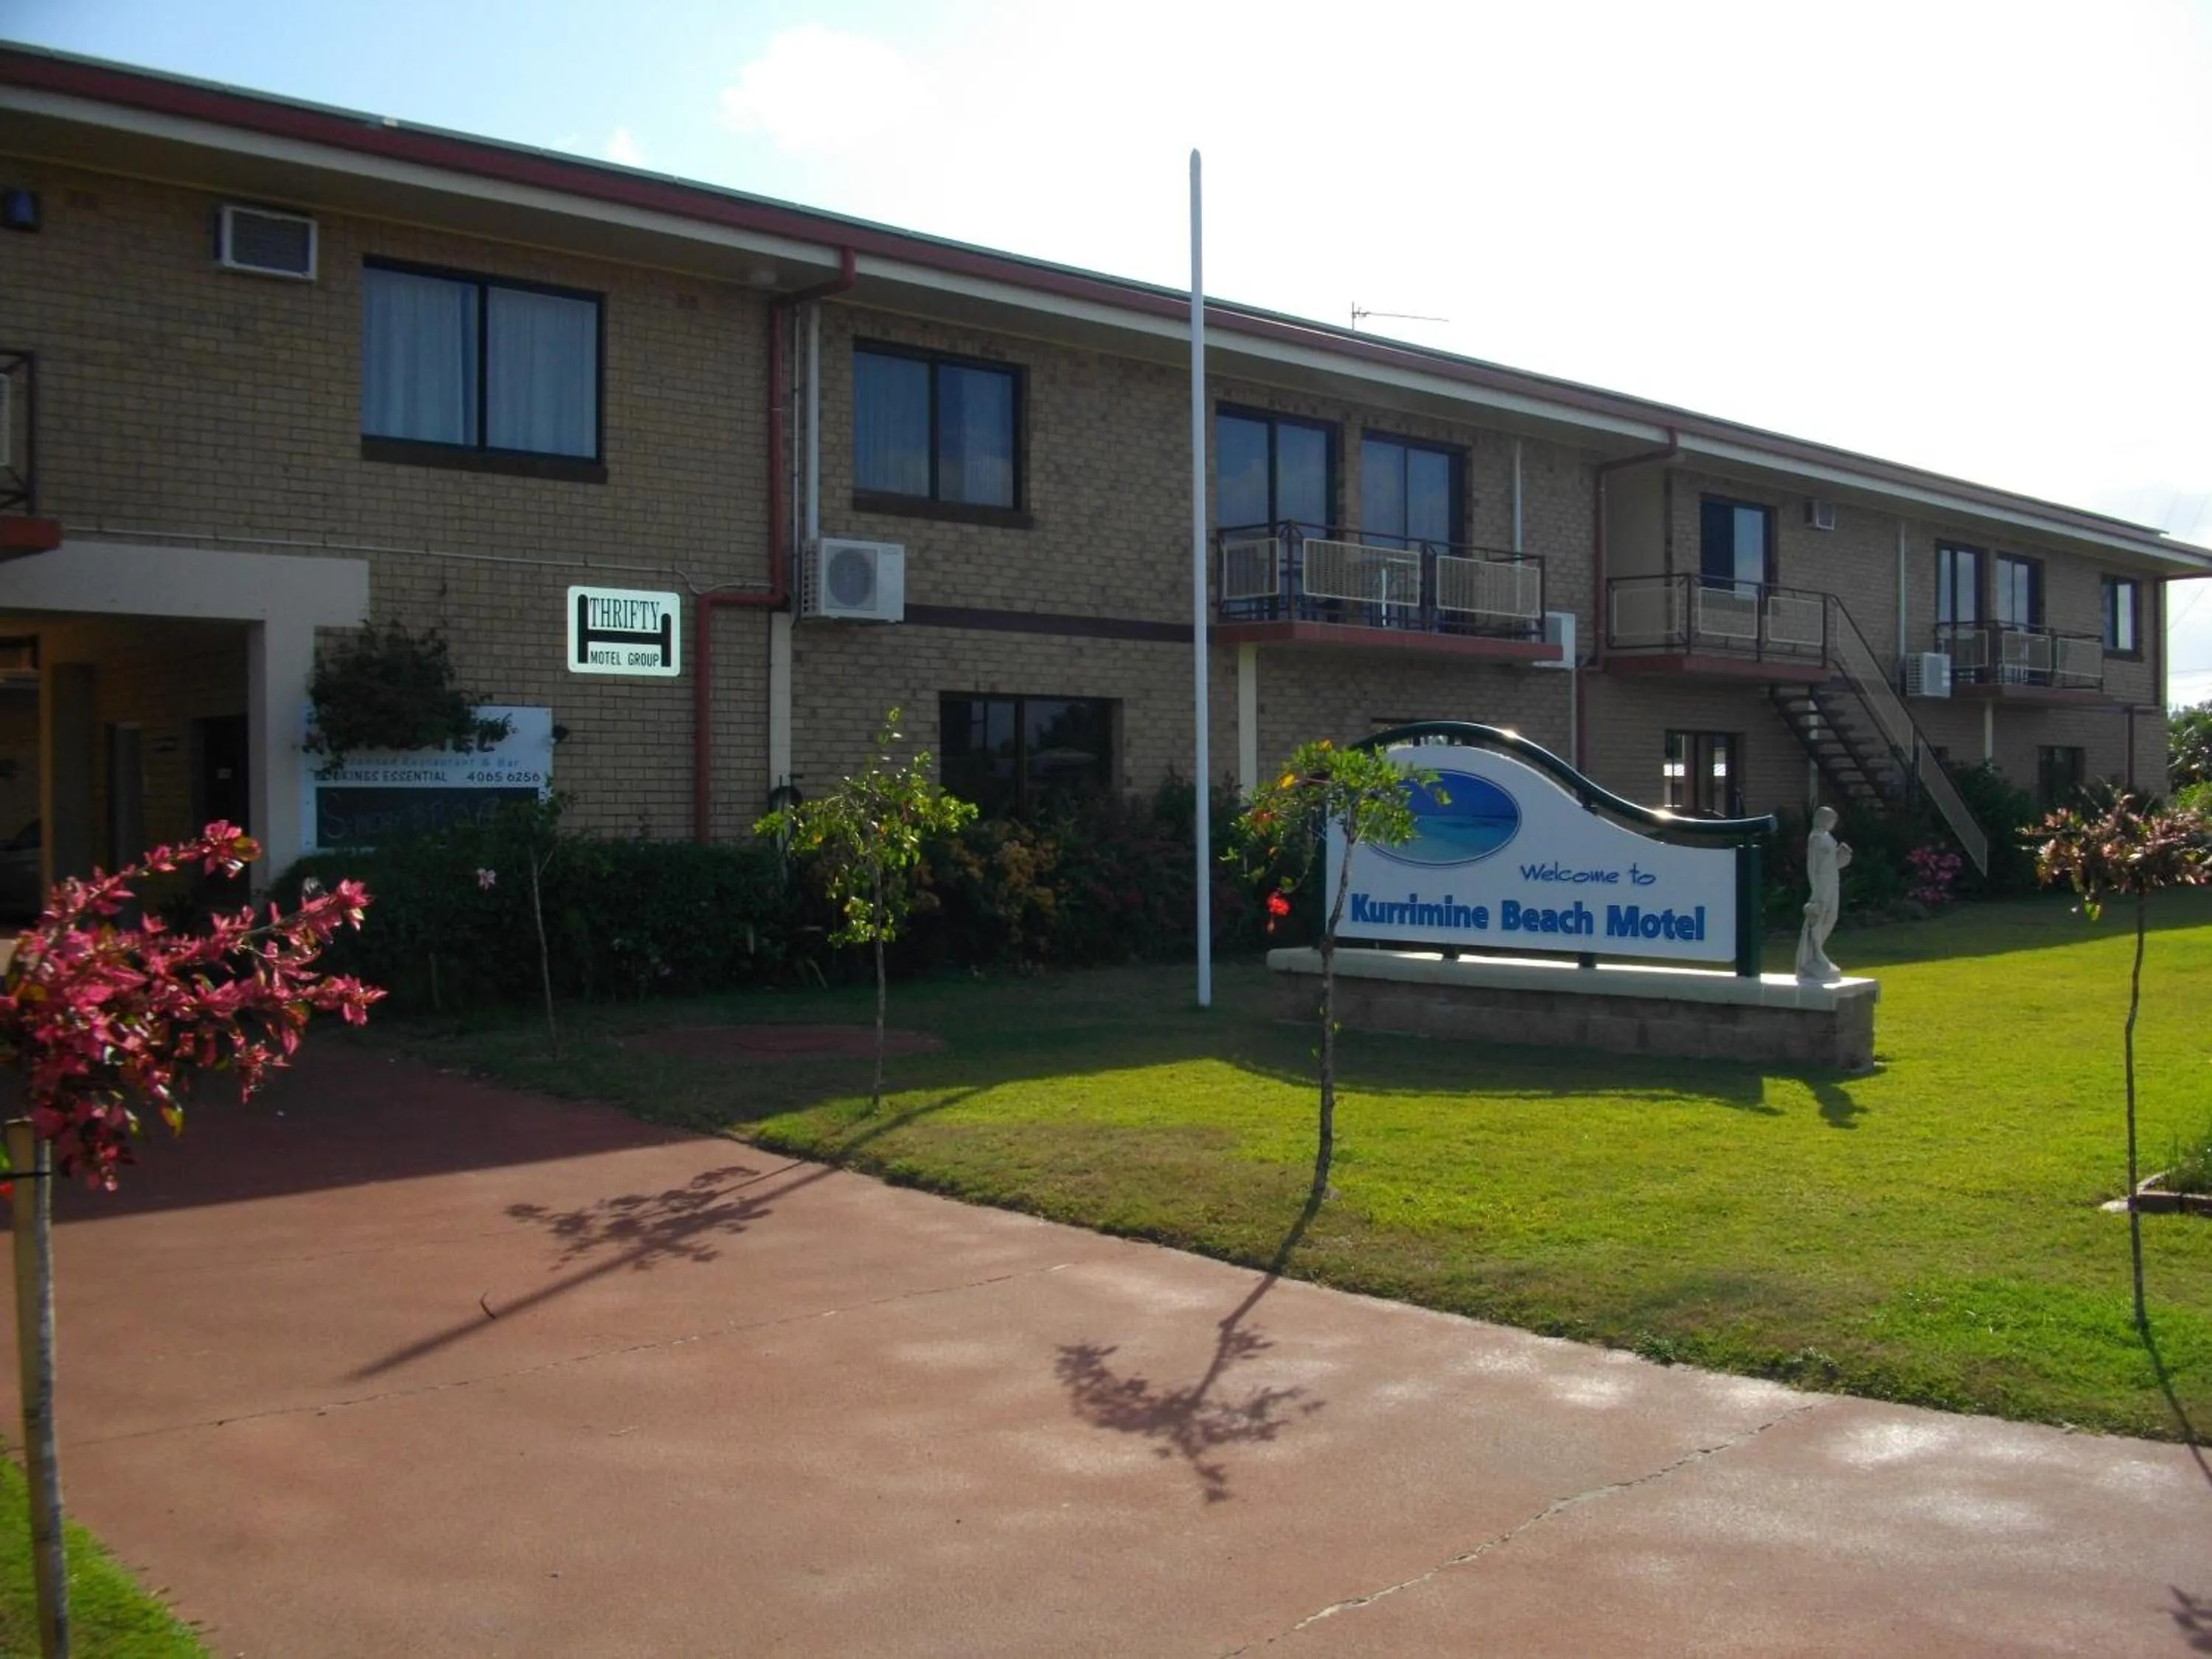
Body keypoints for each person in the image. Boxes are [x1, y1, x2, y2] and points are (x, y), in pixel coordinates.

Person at [1795, 805, 1852, 981]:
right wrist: (1816, 888)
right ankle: (1815, 953)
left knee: (1831, 916)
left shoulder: (1827, 837)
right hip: (1821, 884)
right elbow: (1813, 866)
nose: (1833, 824)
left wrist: (1842, 856)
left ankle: (1818, 951)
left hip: (1832, 880)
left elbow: (1831, 862)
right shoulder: (1816, 838)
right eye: (1831, 820)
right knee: (1818, 917)